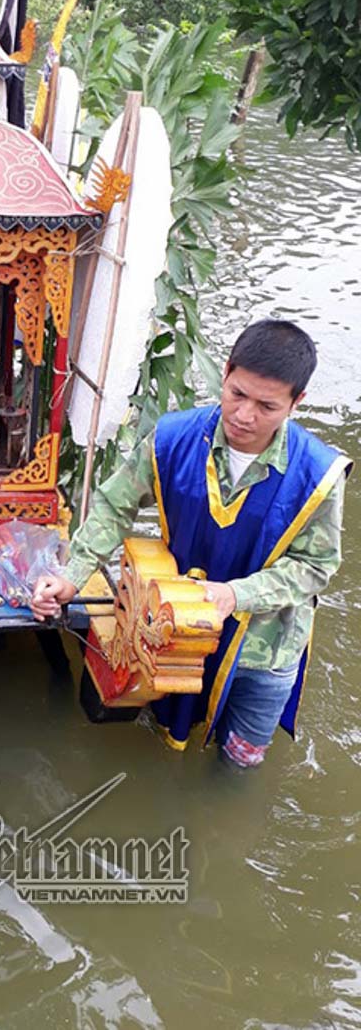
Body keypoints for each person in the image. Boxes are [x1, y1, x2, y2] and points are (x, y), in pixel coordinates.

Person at [32, 320, 350, 770]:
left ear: (297, 402)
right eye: (237, 394)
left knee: (240, 761)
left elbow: (315, 567)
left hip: (265, 647)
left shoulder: (318, 474)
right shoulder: (173, 439)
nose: (244, 415)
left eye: (267, 406)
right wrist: (72, 577)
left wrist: (235, 595)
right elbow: (114, 505)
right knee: (163, 741)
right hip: (178, 630)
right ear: (226, 371)